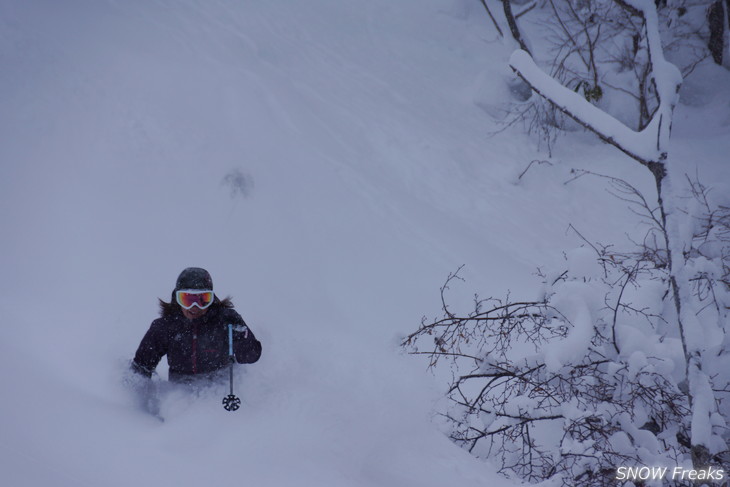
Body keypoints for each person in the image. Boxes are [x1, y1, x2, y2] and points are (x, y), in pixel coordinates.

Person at [130, 267, 262, 386]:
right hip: (180, 395)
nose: (194, 307)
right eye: (187, 300)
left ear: (211, 299)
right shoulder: (165, 327)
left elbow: (250, 356)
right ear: (177, 299)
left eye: (202, 300)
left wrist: (241, 335)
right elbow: (141, 366)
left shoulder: (224, 321)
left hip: (221, 390)